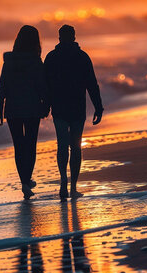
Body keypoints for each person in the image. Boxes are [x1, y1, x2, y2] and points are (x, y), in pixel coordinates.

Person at [44, 24, 104, 200]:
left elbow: (45, 85)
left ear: (59, 38)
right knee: (75, 147)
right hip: (77, 107)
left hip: (59, 107)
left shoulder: (52, 57)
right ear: (74, 37)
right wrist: (98, 107)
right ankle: (73, 187)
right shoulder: (82, 57)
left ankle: (63, 180)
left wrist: (45, 106)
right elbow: (92, 84)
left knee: (62, 145)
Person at [0, 25, 49, 199]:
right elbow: (42, 87)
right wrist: (46, 105)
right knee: (30, 144)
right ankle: (26, 181)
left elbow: (2, 87)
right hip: (32, 108)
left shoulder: (9, 61)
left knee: (19, 146)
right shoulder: (35, 61)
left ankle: (25, 182)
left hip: (13, 109)